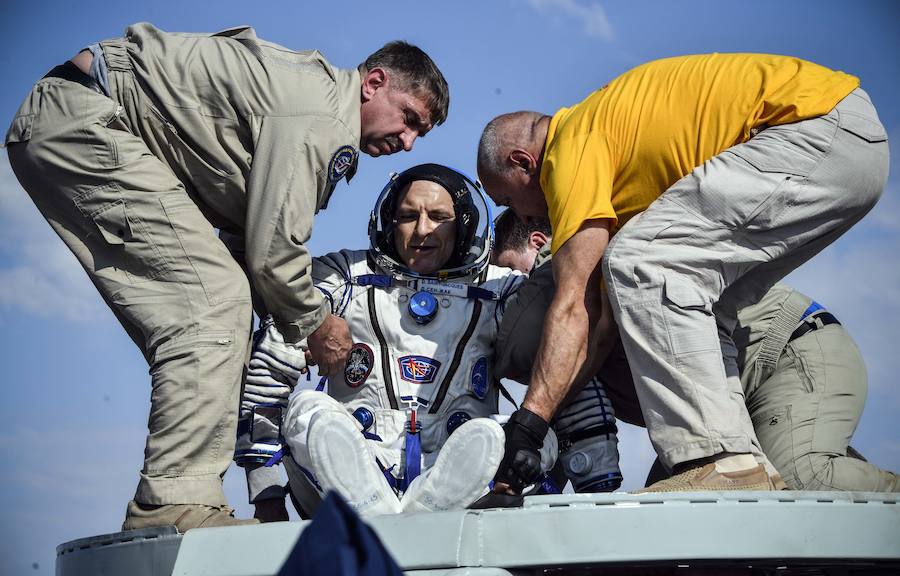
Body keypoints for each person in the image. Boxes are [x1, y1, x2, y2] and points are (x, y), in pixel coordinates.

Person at [4, 22, 448, 531]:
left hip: (82, 117)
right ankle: (172, 502)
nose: (409, 142)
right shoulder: (322, 118)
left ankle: (181, 496)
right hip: (90, 122)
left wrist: (281, 319)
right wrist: (315, 323)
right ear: (373, 83)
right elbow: (274, 254)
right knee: (212, 304)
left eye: (421, 132)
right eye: (409, 118)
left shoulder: (315, 103)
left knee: (220, 303)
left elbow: (247, 238)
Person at [477, 53, 888, 495]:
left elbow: (576, 303)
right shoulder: (606, 140)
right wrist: (542, 419)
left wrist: (528, 422)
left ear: (523, 162)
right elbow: (600, 323)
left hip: (814, 129)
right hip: (845, 142)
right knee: (697, 305)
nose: (521, 215)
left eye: (507, 202)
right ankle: (744, 465)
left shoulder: (570, 146)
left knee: (641, 261)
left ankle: (719, 462)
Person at [494, 210, 898, 492]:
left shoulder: (570, 270)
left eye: (511, 267)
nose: (512, 286)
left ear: (539, 242)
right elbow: (567, 433)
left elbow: (525, 336)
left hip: (784, 356)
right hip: (727, 407)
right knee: (671, 527)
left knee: (807, 480)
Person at [236, 164, 556, 519]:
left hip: (459, 476)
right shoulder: (344, 277)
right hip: (347, 474)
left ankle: (427, 507)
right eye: (407, 216)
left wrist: (594, 476)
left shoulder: (500, 291)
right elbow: (269, 366)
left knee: (508, 432)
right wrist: (266, 495)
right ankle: (371, 508)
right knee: (309, 412)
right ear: (389, 221)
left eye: (438, 216)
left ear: (463, 224)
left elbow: (563, 363)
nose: (421, 229)